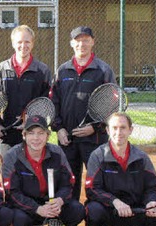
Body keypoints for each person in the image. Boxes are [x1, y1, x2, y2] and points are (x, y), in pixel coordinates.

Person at [52, 26, 116, 199]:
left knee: (97, 180)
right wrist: (59, 128)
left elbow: (112, 104)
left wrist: (96, 127)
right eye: (78, 40)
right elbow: (54, 101)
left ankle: (97, 220)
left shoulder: (103, 70)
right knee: (68, 181)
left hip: (94, 138)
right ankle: (70, 221)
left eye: (86, 40)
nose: (82, 44)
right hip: (67, 138)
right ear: (72, 43)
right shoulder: (62, 70)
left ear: (93, 42)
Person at [85, 112, 156, 226]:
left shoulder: (141, 157)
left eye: (123, 128)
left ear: (130, 130)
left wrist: (151, 201)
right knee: (92, 211)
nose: (119, 132)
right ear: (108, 130)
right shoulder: (97, 156)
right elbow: (92, 189)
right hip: (109, 208)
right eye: (114, 128)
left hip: (135, 210)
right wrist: (115, 201)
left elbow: (154, 187)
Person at [2, 115, 84, 226]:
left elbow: (68, 183)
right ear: (24, 135)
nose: (36, 138)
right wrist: (37, 208)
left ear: (48, 136)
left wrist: (59, 200)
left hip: (52, 205)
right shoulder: (12, 156)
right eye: (31, 133)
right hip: (26, 208)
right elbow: (12, 192)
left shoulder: (57, 152)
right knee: (18, 219)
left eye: (41, 133)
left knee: (77, 210)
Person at [0, 25, 51, 155]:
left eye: (27, 42)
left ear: (33, 44)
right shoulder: (1, 68)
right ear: (13, 43)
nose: (23, 46)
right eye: (19, 42)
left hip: (32, 132)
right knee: (6, 171)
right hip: (6, 133)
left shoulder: (42, 70)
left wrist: (30, 121)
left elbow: (45, 101)